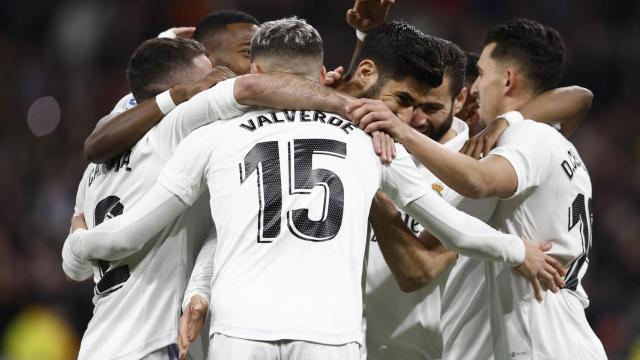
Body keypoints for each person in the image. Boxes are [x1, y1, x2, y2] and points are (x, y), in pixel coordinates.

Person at [63, 17, 559, 360]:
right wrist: (517, 250)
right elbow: (454, 229)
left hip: (241, 335)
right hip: (332, 337)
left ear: (256, 71)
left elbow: (131, 235)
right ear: (322, 73)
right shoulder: (371, 140)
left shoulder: (212, 138)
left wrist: (79, 241)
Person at [350, 18, 607, 359]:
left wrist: (396, 135)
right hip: (558, 335)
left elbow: (479, 183)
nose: (475, 87)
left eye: (482, 74)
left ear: (508, 80)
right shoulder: (541, 139)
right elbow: (578, 98)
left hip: (537, 342)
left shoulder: (527, 138)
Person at [83, 10, 261, 164]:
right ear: (206, 56)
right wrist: (179, 93)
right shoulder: (157, 104)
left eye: (263, 54)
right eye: (247, 52)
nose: (258, 65)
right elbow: (95, 146)